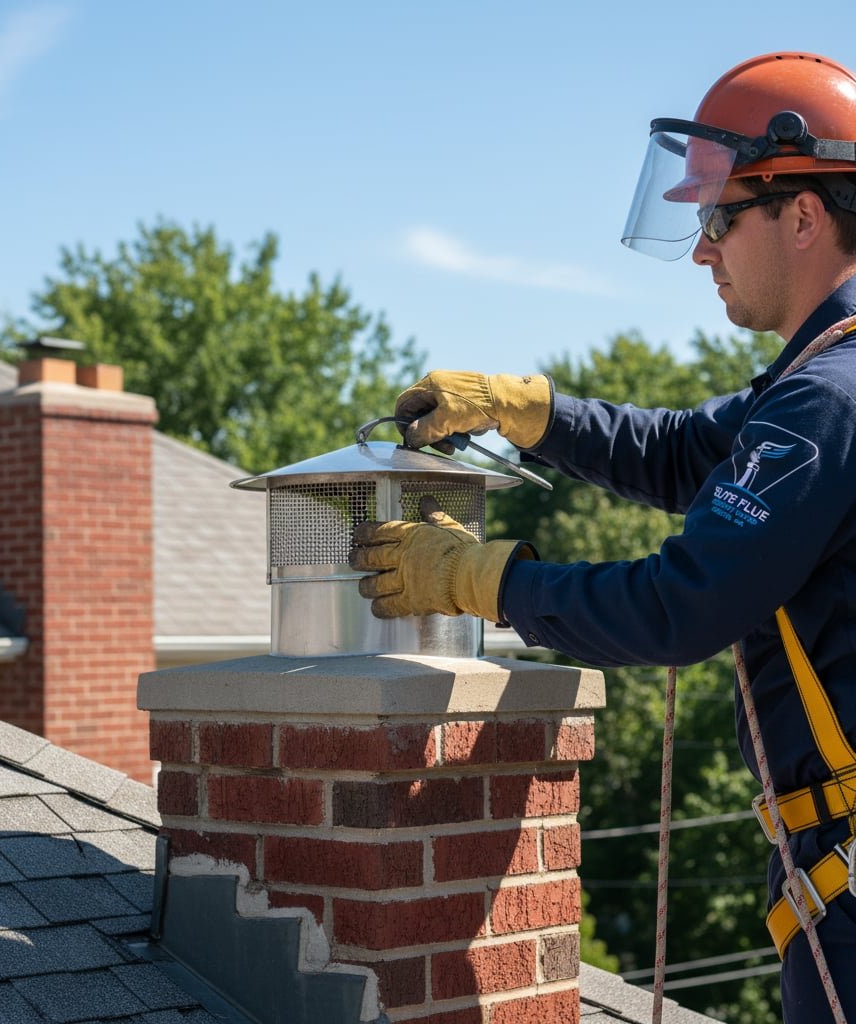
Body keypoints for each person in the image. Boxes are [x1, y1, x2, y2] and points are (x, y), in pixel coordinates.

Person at [349, 52, 856, 1023]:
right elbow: (682, 452)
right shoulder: (822, 380)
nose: (702, 248)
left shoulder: (826, 403)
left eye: (719, 216)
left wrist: (481, 580)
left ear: (801, 215)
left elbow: (678, 606)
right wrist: (523, 408)